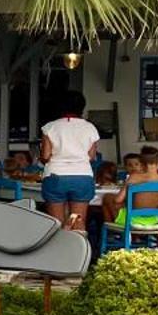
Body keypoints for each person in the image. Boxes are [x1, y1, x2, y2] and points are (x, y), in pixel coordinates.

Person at [37, 92, 100, 231]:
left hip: (55, 177)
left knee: (57, 224)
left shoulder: (50, 127)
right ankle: (80, 250)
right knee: (77, 219)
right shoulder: (90, 127)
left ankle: (61, 251)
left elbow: (46, 156)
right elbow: (91, 156)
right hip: (82, 177)